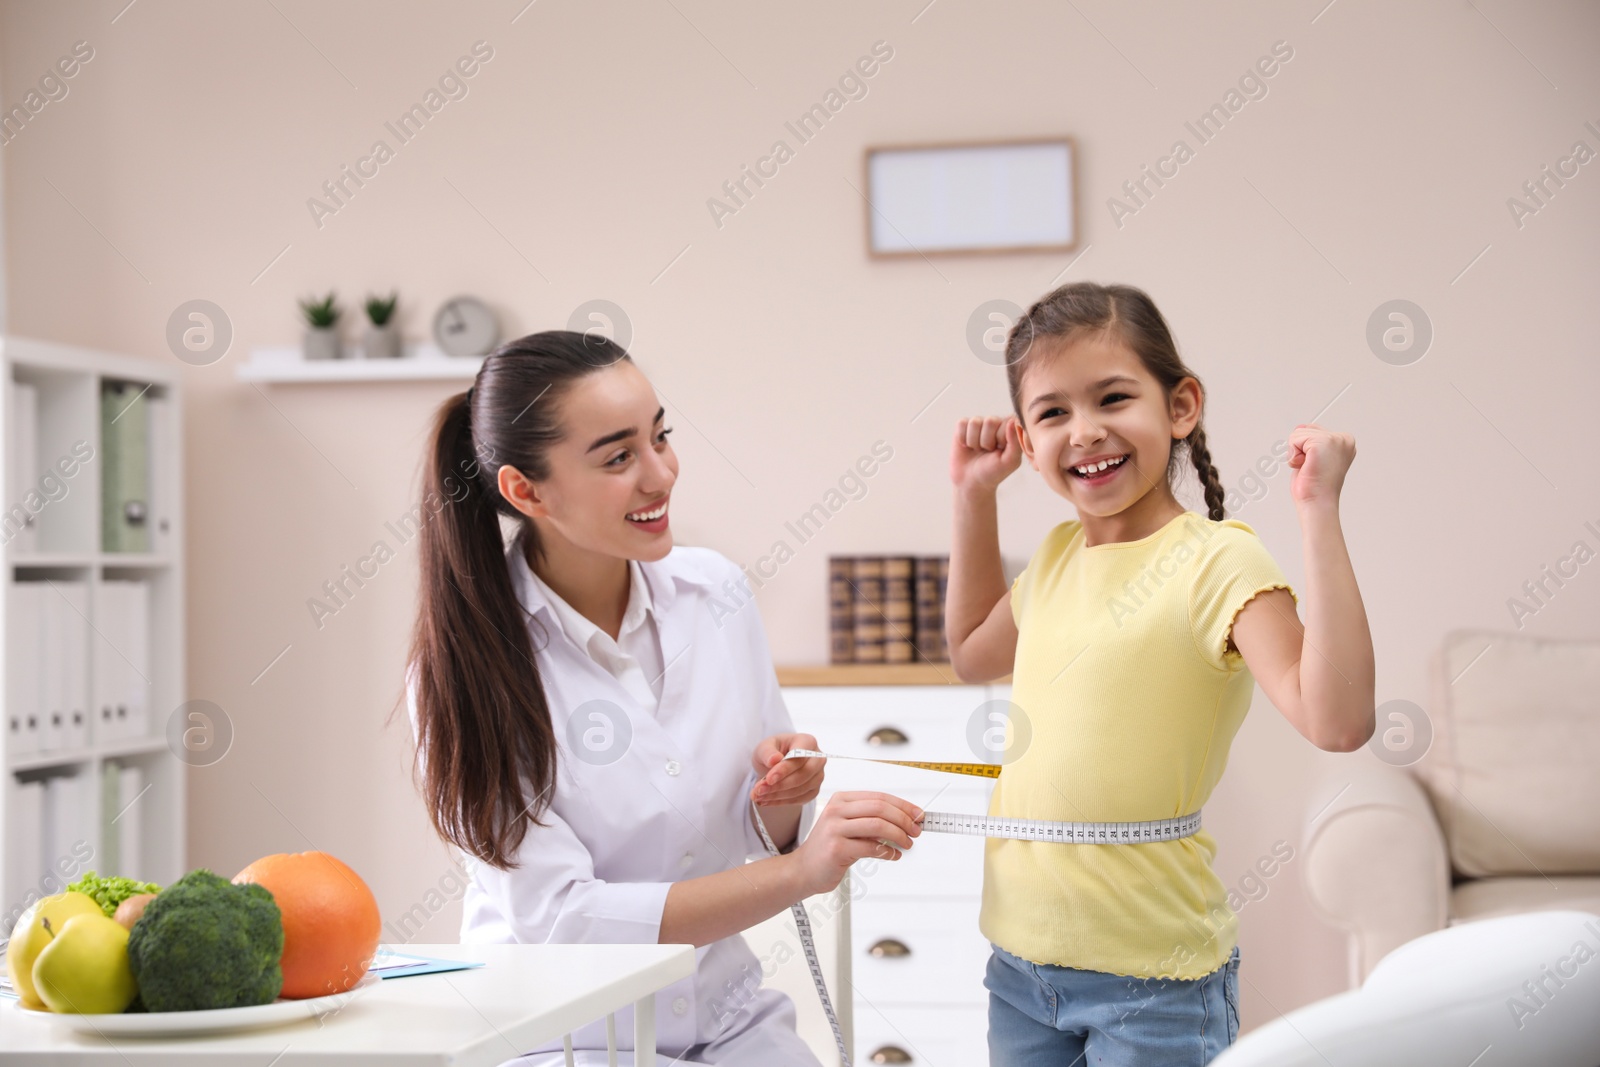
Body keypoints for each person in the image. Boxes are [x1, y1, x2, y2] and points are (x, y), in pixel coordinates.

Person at [401, 330, 923, 1066]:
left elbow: (759, 821)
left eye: (661, 436)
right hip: (564, 1037)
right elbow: (564, 922)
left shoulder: (716, 593)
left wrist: (781, 798)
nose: (662, 474)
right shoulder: (465, 672)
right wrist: (800, 873)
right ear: (525, 490)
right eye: (619, 457)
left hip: (727, 1018)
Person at [946, 281, 1375, 1065]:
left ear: (1181, 407)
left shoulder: (1217, 560)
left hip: (1152, 981)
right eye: (1053, 413)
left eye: (1113, 397)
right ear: (1025, 438)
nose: (1085, 431)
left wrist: (1319, 511)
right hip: (1017, 964)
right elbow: (973, 649)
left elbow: (1337, 719)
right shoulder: (1053, 559)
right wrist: (974, 497)